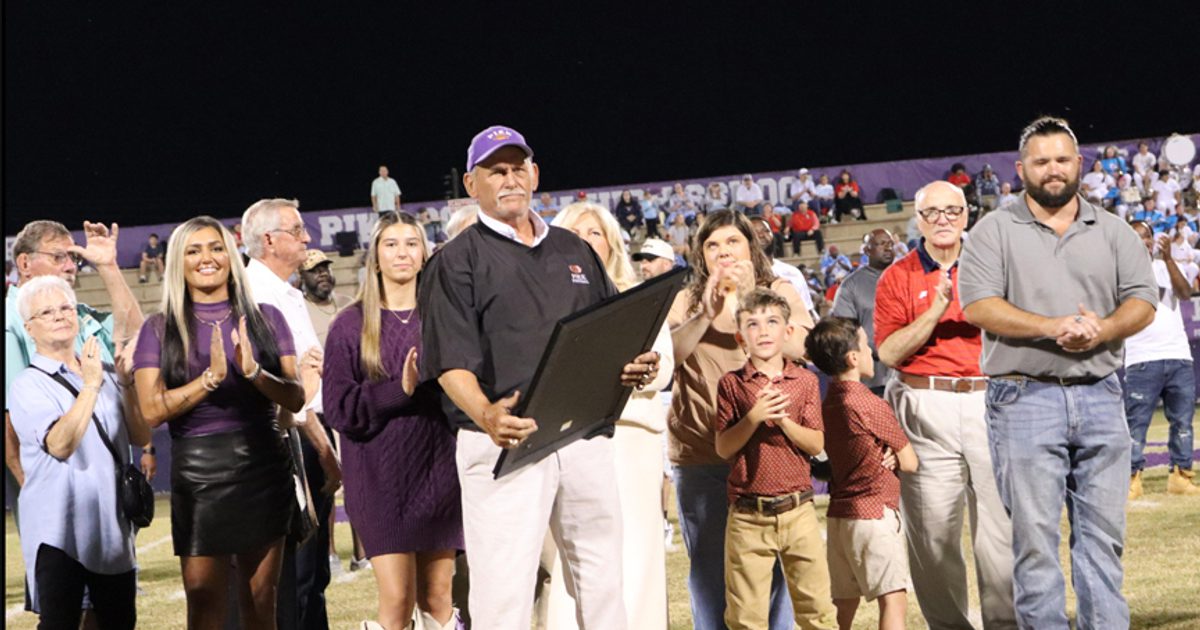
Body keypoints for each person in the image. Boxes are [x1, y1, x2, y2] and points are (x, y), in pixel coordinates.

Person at [418, 125, 660, 629]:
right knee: (503, 589)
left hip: (580, 434)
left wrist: (634, 364)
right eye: (496, 171)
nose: (510, 179)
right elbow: (448, 363)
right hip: (505, 439)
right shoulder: (456, 261)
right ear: (471, 183)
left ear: (535, 174)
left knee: (602, 577)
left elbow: (607, 334)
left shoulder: (575, 250)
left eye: (518, 167)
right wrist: (485, 413)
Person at [958, 116, 1157, 628]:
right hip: (1024, 397)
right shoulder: (992, 232)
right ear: (1020, 168)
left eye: (1062, 160)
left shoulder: (1112, 230)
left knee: (1102, 539)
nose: (1053, 170)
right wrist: (1053, 327)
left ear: (1079, 164)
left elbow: (1142, 301)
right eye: (1041, 161)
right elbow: (979, 305)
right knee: (1035, 544)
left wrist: (1104, 329)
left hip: (1100, 393)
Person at [132, 216, 306, 629]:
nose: (206, 258)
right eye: (193, 250)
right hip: (198, 475)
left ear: (231, 255)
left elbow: (296, 396)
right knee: (204, 604)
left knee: (262, 603)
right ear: (178, 262)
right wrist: (208, 380)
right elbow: (152, 410)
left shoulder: (266, 317)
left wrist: (253, 374)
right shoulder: (160, 328)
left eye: (215, 248)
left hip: (263, 468)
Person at [873, 181, 1016, 629]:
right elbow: (889, 353)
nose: (942, 221)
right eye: (932, 213)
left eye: (951, 211)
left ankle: (1006, 623)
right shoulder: (897, 275)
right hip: (924, 402)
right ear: (918, 219)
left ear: (966, 215)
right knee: (932, 534)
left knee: (1001, 531)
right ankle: (949, 626)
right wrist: (933, 314)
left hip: (989, 398)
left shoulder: (994, 265)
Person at [667, 209, 814, 630]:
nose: (723, 252)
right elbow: (667, 357)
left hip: (772, 453)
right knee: (711, 574)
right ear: (701, 255)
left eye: (732, 242)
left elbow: (805, 348)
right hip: (701, 455)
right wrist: (704, 315)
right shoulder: (686, 299)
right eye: (712, 245)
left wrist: (754, 305)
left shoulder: (779, 289)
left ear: (751, 245)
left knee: (775, 573)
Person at [322, 211, 463, 630]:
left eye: (411, 243)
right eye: (391, 244)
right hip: (378, 478)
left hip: (440, 471)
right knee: (398, 600)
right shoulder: (349, 325)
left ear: (424, 254)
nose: (402, 252)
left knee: (439, 596)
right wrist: (399, 389)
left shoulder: (444, 319)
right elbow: (339, 409)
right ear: (375, 257)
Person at [5, 219, 146, 628]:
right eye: (48, 312)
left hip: (110, 517)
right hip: (59, 519)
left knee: (116, 619)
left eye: (65, 308)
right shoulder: (20, 350)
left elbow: (138, 336)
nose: (61, 316)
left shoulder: (91, 349)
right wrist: (35, 495)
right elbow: (36, 433)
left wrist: (109, 268)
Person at [545, 202, 675, 630]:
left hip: (633, 442)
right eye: (576, 232)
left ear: (612, 243)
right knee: (578, 556)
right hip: (573, 441)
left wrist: (646, 372)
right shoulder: (543, 304)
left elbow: (665, 367)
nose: (586, 240)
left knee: (638, 553)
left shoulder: (641, 297)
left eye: (595, 233)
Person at [242, 199, 342, 630]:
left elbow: (307, 389)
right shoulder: (257, 295)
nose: (307, 237)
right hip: (279, 444)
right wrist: (315, 445)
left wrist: (324, 448)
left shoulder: (285, 291)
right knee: (296, 575)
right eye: (297, 230)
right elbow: (289, 391)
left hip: (305, 437)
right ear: (269, 240)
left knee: (313, 574)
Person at [713, 289, 836, 630]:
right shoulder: (732, 385)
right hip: (748, 516)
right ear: (741, 338)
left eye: (772, 322)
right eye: (752, 324)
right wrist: (754, 417)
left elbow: (816, 444)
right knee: (745, 617)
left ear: (788, 331)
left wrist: (783, 421)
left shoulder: (805, 382)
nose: (763, 331)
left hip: (799, 512)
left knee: (818, 610)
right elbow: (724, 447)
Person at [806, 316, 918, 630]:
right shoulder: (870, 404)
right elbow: (910, 462)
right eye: (866, 346)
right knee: (893, 600)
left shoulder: (825, 403)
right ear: (853, 358)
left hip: (840, 516)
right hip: (875, 515)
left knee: (842, 605)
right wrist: (895, 454)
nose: (871, 352)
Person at [1125, 222, 1200, 497]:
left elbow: (1185, 293)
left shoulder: (1163, 267)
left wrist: (1168, 258)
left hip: (1178, 353)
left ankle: (1180, 476)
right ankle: (1131, 477)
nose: (1143, 241)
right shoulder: (1116, 270)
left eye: (1147, 237)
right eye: (1137, 237)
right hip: (1141, 356)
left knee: (1182, 421)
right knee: (1136, 423)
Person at [830, 229, 894, 395]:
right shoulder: (850, 286)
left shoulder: (907, 277)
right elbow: (845, 334)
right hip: (874, 379)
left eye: (890, 244)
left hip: (911, 375)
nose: (888, 248)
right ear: (867, 250)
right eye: (881, 244)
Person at [299, 250, 355, 347]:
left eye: (326, 268)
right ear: (302, 277)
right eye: (314, 270)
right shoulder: (298, 311)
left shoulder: (349, 304)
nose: (323, 273)